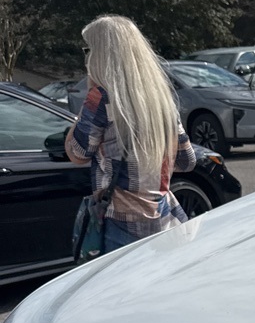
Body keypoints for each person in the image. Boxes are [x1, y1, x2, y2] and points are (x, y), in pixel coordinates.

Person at [65, 15, 195, 253]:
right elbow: (187, 161)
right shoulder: (161, 99)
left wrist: (83, 108)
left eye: (89, 50)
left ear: (101, 55)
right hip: (162, 220)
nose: (87, 57)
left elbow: (77, 153)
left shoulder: (100, 98)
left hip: (120, 224)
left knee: (116, 290)